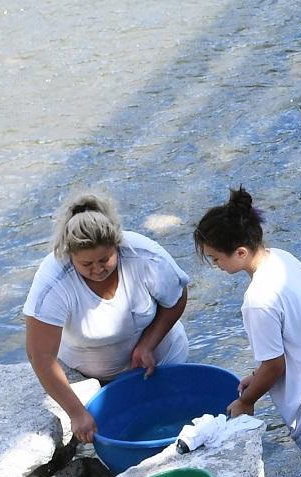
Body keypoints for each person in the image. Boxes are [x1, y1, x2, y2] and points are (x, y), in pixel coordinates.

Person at [192, 189, 301, 471]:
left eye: (215, 259)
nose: (215, 265)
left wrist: (245, 403)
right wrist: (255, 376)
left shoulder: (257, 301)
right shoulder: (283, 259)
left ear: (240, 252)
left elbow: (275, 366)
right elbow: (293, 339)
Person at [23, 190, 192, 443]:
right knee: (122, 436)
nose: (98, 269)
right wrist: (77, 412)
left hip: (160, 361)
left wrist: (147, 344)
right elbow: (41, 356)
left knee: (175, 426)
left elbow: (177, 297)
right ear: (70, 256)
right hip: (94, 380)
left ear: (117, 245)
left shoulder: (144, 256)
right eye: (86, 264)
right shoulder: (53, 282)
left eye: (105, 259)